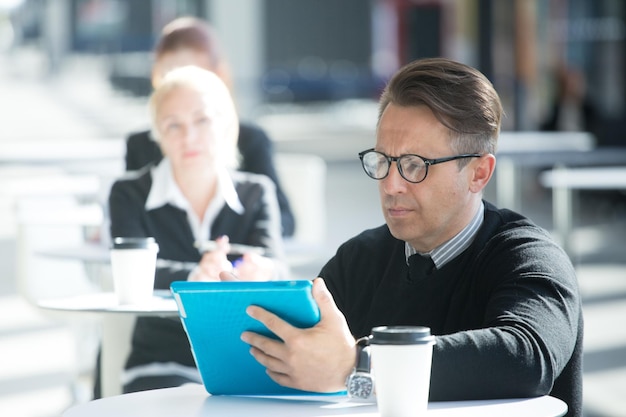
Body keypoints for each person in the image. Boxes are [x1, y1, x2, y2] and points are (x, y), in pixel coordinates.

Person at [231, 58, 583, 417]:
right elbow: (300, 353)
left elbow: (526, 357)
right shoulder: (359, 260)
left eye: (415, 165)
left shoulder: (529, 257)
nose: (390, 184)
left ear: (479, 173)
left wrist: (359, 364)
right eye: (383, 160)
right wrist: (238, 305)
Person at [108, 65, 286, 394]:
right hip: (161, 362)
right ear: (158, 135)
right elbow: (131, 273)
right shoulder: (128, 193)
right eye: (173, 125)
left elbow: (276, 265)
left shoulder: (257, 192)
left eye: (201, 120)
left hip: (245, 359)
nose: (188, 137)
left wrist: (263, 271)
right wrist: (195, 277)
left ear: (225, 124)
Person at [125, 16, 295, 237]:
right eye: (170, 78)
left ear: (219, 76)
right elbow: (131, 217)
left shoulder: (251, 141)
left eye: (194, 75)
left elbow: (283, 220)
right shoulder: (140, 144)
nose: (182, 87)